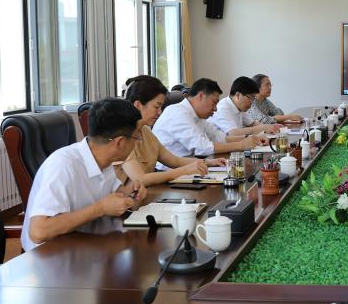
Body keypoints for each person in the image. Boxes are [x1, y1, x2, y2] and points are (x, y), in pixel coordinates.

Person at [21, 97, 147, 252]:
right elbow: (39, 232)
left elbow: (111, 194)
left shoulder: (104, 159)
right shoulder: (63, 165)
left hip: (84, 243)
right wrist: (100, 208)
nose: (138, 142)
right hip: (51, 256)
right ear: (119, 142)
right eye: (136, 137)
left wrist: (129, 192)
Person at [121, 75, 228, 187]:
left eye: (161, 107)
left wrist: (208, 162)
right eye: (156, 107)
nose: (160, 112)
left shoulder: (145, 131)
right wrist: (184, 171)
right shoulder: (122, 135)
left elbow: (175, 161)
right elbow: (140, 179)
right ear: (138, 105)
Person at [153, 77, 265, 157]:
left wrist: (251, 139)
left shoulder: (198, 116)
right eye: (214, 103)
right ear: (201, 96)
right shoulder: (178, 112)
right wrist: (240, 145)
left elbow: (220, 138)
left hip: (189, 166)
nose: (216, 109)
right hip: (168, 173)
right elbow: (202, 148)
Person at [211, 76, 283, 136]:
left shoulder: (239, 107)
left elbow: (252, 123)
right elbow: (233, 133)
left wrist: (269, 127)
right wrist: (263, 128)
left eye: (253, 98)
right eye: (251, 98)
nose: (252, 102)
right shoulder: (222, 108)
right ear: (238, 95)